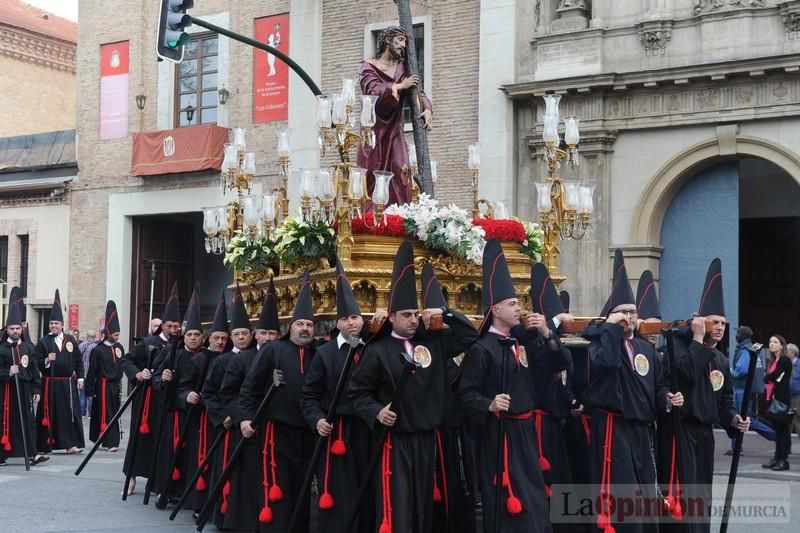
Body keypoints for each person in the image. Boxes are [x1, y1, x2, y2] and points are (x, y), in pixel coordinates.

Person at [350, 240, 478, 533]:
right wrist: (376, 412)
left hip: (426, 439)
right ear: (392, 317)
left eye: (414, 314)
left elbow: (470, 337)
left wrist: (444, 314)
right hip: (394, 442)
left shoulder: (432, 342)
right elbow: (357, 393)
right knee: (398, 506)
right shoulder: (377, 350)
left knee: (422, 508)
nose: (412, 319)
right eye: (405, 315)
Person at [459, 240, 561, 533]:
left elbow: (558, 364)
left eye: (519, 303)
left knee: (535, 500)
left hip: (527, 432)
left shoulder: (522, 341)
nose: (519, 308)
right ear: (496, 309)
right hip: (500, 434)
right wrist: (489, 404)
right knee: (506, 502)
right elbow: (466, 394)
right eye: (513, 304)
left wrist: (546, 333)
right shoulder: (482, 349)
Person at [582, 249, 677, 533]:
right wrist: (609, 330)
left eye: (633, 312)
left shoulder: (646, 349)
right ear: (610, 316)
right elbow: (608, 364)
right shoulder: (599, 345)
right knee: (623, 494)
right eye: (623, 312)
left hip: (642, 430)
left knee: (646, 491)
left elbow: (657, 384)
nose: (630, 317)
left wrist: (666, 399)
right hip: (613, 428)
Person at [660, 258, 749, 533]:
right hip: (680, 430)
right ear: (700, 322)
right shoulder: (679, 346)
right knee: (683, 492)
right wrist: (697, 339)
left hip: (704, 434)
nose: (720, 327)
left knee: (702, 494)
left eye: (723, 323)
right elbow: (685, 372)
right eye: (714, 322)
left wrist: (734, 419)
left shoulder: (721, 360)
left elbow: (724, 402)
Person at [301, 260, 382, 533]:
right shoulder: (324, 355)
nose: (352, 323)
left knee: (368, 488)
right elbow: (309, 397)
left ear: (363, 320)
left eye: (356, 318)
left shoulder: (371, 350)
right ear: (337, 323)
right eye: (346, 319)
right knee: (339, 492)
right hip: (337, 432)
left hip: (368, 429)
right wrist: (317, 420)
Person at [239, 272, 318, 532]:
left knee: (302, 491)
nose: (305, 328)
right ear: (290, 327)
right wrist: (245, 417)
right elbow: (250, 387)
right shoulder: (274, 350)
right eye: (300, 324)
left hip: (308, 434)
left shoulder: (319, 354)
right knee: (277, 491)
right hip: (277, 434)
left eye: (309, 324)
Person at [357, 26, 433, 207]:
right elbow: (371, 91)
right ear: (387, 41)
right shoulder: (368, 66)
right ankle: (371, 218)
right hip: (372, 128)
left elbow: (417, 91)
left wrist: (427, 108)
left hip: (394, 128)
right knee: (371, 173)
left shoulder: (403, 69)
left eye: (404, 41)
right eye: (399, 40)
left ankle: (398, 215)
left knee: (401, 169)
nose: (402, 45)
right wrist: (398, 87)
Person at [121, 282, 182, 495]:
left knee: (163, 441)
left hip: (168, 401)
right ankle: (131, 478)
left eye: (177, 326)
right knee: (140, 440)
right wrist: (138, 374)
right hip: (147, 400)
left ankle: (158, 481)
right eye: (170, 326)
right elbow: (127, 361)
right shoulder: (148, 342)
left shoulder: (182, 344)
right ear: (163, 325)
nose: (173, 330)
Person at [201, 287, 253, 529]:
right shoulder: (222, 361)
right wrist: (222, 416)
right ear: (231, 336)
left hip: (248, 424)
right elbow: (210, 393)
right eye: (237, 333)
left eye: (245, 333)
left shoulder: (257, 357)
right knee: (225, 468)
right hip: (228, 424)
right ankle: (221, 513)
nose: (241, 337)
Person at [0, 290, 48, 466]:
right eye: (11, 329)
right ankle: (2, 455)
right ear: (7, 329)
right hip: (6, 391)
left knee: (27, 421)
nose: (15, 331)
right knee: (5, 421)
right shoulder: (2, 349)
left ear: (22, 328)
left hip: (25, 388)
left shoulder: (28, 348)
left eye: (17, 328)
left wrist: (37, 389)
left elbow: (35, 371)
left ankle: (31, 453)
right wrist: (8, 372)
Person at [34, 289, 85, 455]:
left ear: (62, 325)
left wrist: (81, 378)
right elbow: (36, 362)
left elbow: (78, 360)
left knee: (69, 414)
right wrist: (47, 360)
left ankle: (70, 444)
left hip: (68, 384)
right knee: (50, 414)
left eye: (56, 323)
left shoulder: (70, 340)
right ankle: (45, 445)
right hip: (50, 384)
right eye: (51, 323)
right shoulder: (44, 341)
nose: (53, 326)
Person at [86, 300, 126, 453]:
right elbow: (92, 371)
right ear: (108, 333)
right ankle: (110, 441)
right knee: (105, 412)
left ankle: (110, 439)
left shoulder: (119, 348)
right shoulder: (98, 350)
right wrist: (89, 391)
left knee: (114, 411)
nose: (117, 338)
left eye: (118, 335)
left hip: (115, 386)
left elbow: (122, 364)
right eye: (115, 335)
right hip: (102, 386)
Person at [762, 334, 793, 471]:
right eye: (770, 342)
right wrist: (768, 377)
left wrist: (768, 376)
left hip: (781, 399)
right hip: (772, 397)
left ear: (781, 345)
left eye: (775, 342)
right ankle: (776, 457)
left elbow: (772, 376)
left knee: (783, 431)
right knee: (778, 431)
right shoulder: (773, 360)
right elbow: (769, 378)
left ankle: (783, 460)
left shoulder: (784, 360)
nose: (772, 344)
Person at [254, 279, 281, 350]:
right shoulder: (242, 359)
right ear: (256, 335)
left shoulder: (284, 358)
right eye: (263, 333)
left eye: (272, 333)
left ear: (279, 336)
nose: (267, 338)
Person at [79, 329, 99, 417]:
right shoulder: (97, 347)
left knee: (82, 394)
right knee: (91, 393)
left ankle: (82, 412)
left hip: (82, 373)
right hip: (92, 374)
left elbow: (78, 360)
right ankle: (91, 413)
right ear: (95, 337)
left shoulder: (81, 345)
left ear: (87, 336)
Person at [789, 343, 800, 437]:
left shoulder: (799, 365)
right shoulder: (787, 363)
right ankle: (785, 446)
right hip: (787, 396)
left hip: (797, 396)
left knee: (797, 420)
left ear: (792, 353)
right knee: (788, 420)